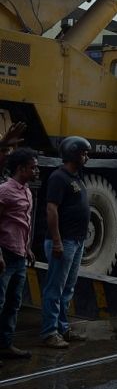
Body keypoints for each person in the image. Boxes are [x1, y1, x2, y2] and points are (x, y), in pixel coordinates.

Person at [40, 136, 91, 348]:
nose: (86, 157)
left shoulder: (75, 177)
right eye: (83, 153)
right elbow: (51, 209)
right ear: (72, 153)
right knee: (55, 288)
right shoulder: (58, 178)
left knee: (68, 288)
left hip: (76, 241)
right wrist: (57, 241)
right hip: (65, 242)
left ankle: (62, 327)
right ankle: (49, 332)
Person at [0, 148, 38, 361]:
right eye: (33, 167)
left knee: (13, 303)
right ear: (21, 168)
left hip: (20, 255)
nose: (36, 171)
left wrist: (28, 248)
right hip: (5, 255)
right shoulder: (5, 191)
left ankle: (5, 344)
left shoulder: (27, 191)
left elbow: (24, 224)